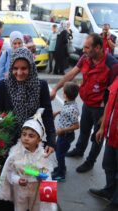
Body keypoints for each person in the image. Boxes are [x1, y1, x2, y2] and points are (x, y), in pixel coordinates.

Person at [0, 47, 55, 210]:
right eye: (15, 68)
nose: (19, 72)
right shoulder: (3, 86)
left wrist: (52, 141)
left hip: (33, 145)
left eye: (24, 68)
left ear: (31, 68)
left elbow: (47, 114)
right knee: (8, 180)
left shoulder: (41, 86)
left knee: (35, 177)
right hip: (8, 144)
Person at [50, 33, 118, 173]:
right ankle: (79, 150)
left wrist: (104, 119)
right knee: (84, 130)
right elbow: (71, 74)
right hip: (87, 103)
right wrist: (56, 89)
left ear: (98, 47)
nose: (83, 50)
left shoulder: (112, 65)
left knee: (97, 137)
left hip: (101, 108)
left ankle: (90, 162)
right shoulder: (85, 58)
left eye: (87, 47)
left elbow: (112, 95)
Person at [0, 108, 52, 211]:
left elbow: (46, 175)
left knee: (36, 208)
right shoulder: (15, 154)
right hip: (20, 192)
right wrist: (18, 180)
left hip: (36, 192)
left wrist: (40, 175)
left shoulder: (42, 155)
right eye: (24, 134)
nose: (26, 138)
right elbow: (10, 173)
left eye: (31, 136)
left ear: (39, 139)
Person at [89, 75, 118, 211]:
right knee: (108, 165)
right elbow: (109, 103)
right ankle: (109, 191)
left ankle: (116, 201)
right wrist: (102, 128)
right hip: (111, 134)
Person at [52, 82, 80, 181]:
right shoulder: (69, 103)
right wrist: (58, 112)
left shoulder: (72, 109)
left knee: (59, 154)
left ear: (65, 94)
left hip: (65, 136)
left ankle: (61, 174)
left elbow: (77, 125)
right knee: (59, 152)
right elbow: (66, 112)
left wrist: (62, 130)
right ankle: (61, 167)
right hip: (63, 134)